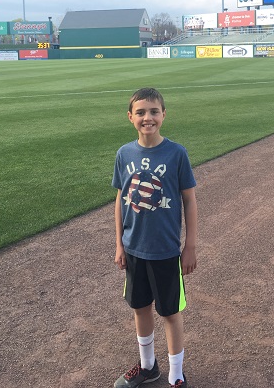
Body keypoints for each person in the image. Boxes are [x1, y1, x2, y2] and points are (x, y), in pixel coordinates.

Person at [113, 87, 198, 388]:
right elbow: (121, 198)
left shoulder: (176, 153)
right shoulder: (124, 154)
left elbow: (189, 199)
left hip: (165, 250)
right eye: (140, 112)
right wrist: (119, 244)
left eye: (153, 111)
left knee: (170, 312)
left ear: (164, 115)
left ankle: (176, 375)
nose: (147, 117)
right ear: (130, 117)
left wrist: (190, 245)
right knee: (140, 307)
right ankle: (149, 367)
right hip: (135, 248)